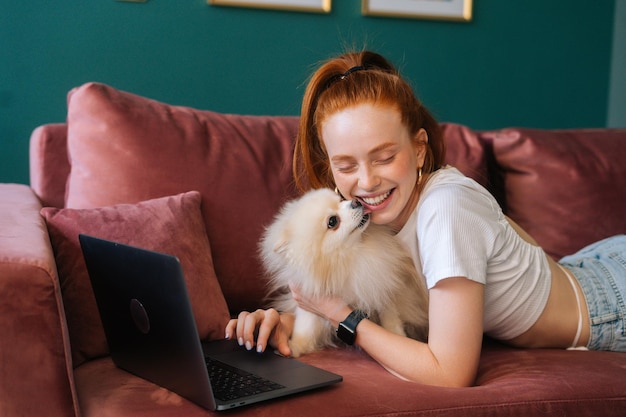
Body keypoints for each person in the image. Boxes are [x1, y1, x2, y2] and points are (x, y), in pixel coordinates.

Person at [224, 50, 626, 387]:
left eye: (384, 157)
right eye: (345, 165)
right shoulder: (371, 216)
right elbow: (344, 291)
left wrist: (342, 317)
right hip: (587, 263)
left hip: (611, 302)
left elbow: (450, 373)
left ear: (419, 150)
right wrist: (284, 324)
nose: (366, 182)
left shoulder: (447, 207)